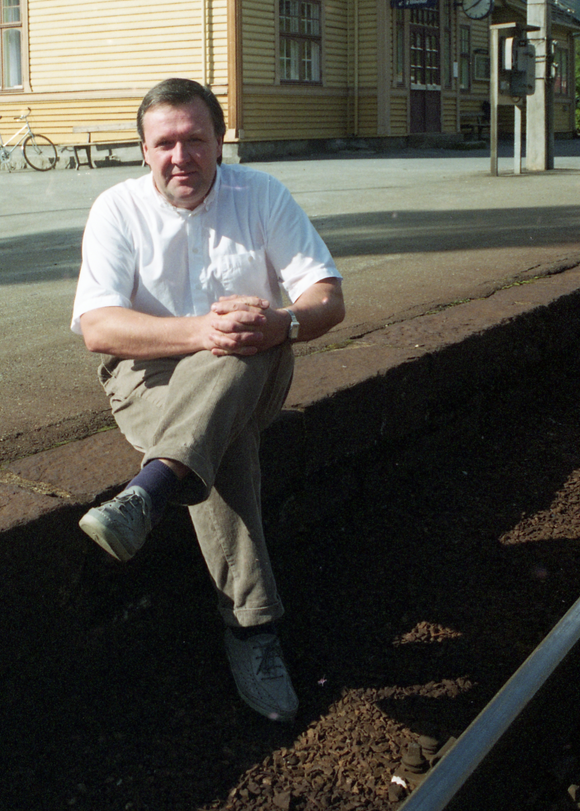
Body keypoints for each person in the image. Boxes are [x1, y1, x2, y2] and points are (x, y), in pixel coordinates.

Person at [71, 78, 344, 722]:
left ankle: (153, 487)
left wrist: (284, 324)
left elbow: (327, 297)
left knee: (248, 333)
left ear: (221, 142)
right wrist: (201, 333)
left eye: (196, 139)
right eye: (165, 142)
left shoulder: (263, 196)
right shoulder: (116, 209)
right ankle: (252, 630)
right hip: (145, 380)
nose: (180, 156)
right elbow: (99, 327)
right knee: (228, 441)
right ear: (143, 151)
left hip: (255, 368)